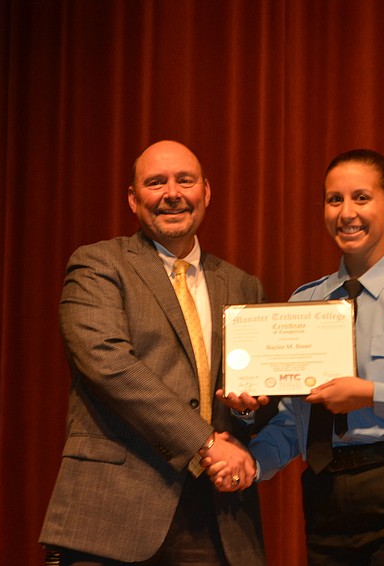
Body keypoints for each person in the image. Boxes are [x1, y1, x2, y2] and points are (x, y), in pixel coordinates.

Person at [212, 149, 384, 565]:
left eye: (362, 198)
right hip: (330, 500)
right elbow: (293, 421)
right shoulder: (306, 303)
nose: (347, 213)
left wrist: (372, 394)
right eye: (334, 199)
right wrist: (252, 459)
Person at [39, 140, 266, 565]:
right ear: (132, 198)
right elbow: (109, 365)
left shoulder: (243, 287)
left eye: (185, 180)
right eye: (155, 182)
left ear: (207, 192)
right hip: (113, 516)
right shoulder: (98, 266)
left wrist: (249, 409)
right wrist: (204, 441)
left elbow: (257, 393)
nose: (172, 193)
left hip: (217, 521)